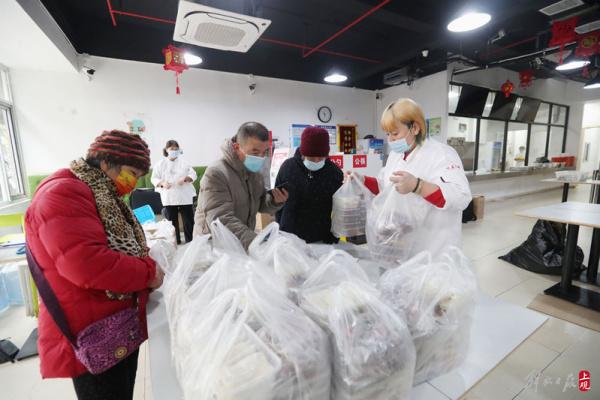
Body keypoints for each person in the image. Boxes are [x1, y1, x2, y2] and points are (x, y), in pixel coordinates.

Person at [25, 130, 164, 400]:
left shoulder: (99, 191)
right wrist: (149, 272)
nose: (133, 183)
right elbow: (87, 265)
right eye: (131, 173)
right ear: (105, 162)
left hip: (115, 320)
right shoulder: (64, 193)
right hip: (92, 329)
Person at [350, 98, 471, 256]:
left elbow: (460, 197)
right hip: (401, 246)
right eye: (388, 134)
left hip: (434, 250)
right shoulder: (396, 155)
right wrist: (362, 180)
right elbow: (385, 186)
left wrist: (418, 186)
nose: (390, 140)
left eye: (395, 133)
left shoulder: (442, 154)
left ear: (415, 128)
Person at [193, 122, 288, 249]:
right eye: (255, 152)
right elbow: (221, 220)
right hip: (213, 247)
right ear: (237, 147)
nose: (260, 157)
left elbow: (258, 204)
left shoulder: (254, 174)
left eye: (264, 152)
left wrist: (274, 201)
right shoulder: (216, 174)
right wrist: (258, 243)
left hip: (239, 244)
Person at [275, 127, 343, 243]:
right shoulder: (288, 168)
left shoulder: (334, 173)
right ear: (303, 152)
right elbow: (277, 202)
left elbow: (339, 208)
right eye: (311, 157)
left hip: (322, 238)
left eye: (321, 157)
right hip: (289, 237)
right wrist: (280, 228)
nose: (316, 161)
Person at [151, 140, 197, 244]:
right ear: (166, 150)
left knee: (189, 221)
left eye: (176, 149)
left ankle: (190, 241)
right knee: (171, 222)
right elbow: (154, 178)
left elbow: (193, 175)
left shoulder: (184, 163)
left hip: (184, 194)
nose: (174, 151)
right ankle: (175, 241)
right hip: (169, 195)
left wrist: (185, 178)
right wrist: (162, 183)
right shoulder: (160, 164)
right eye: (172, 149)